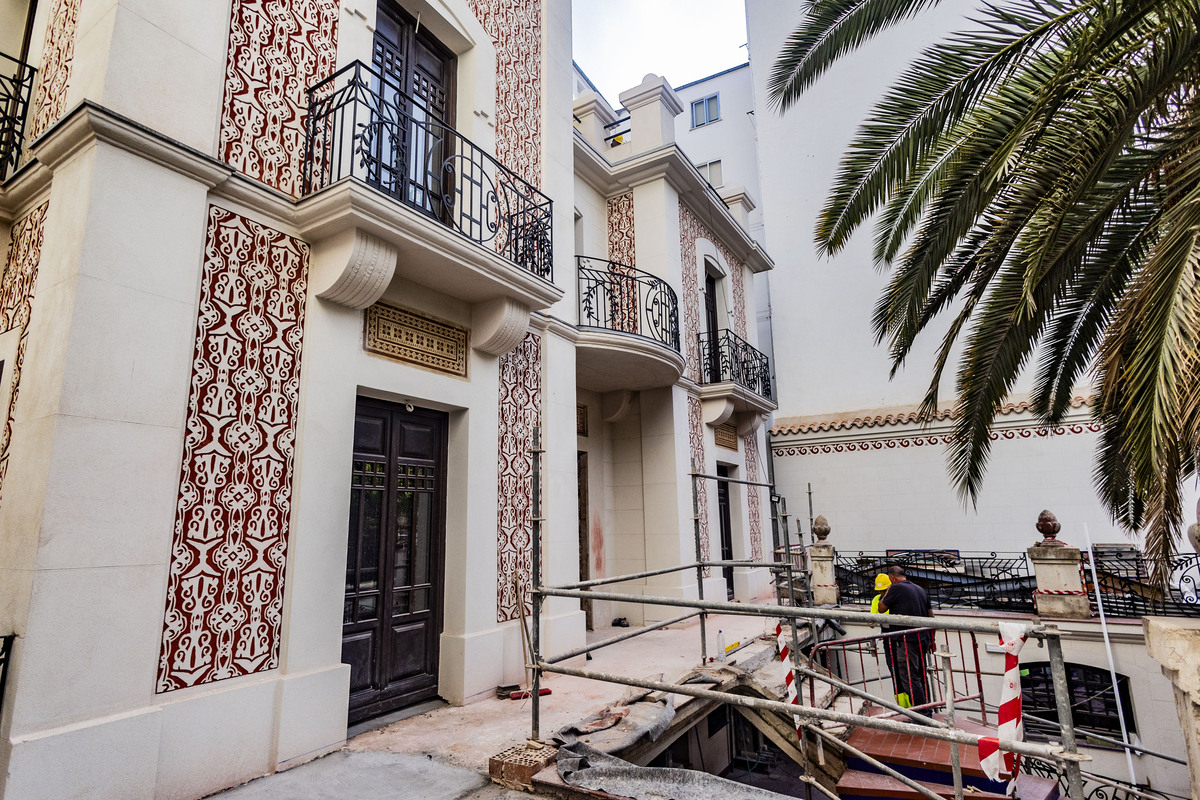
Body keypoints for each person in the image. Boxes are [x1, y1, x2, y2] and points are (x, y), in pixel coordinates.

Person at [877, 565, 933, 710]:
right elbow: (931, 617)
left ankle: (920, 713)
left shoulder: (896, 588)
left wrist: (887, 592)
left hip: (906, 640)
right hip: (923, 638)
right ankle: (927, 708)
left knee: (909, 675)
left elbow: (881, 608)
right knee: (920, 674)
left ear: (892, 578)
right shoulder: (920, 589)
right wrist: (932, 639)